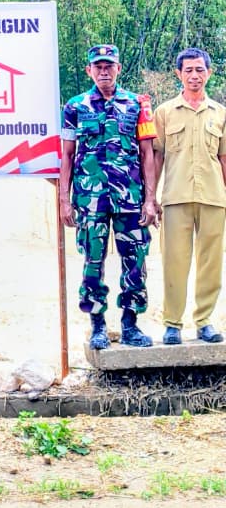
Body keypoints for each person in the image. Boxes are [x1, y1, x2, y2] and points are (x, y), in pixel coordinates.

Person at [59, 44, 160, 350]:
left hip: (130, 198)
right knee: (92, 262)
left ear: (118, 69)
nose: (104, 72)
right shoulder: (75, 107)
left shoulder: (137, 105)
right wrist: (65, 199)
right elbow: (66, 155)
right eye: (98, 67)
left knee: (136, 260)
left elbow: (147, 154)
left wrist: (150, 199)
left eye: (109, 66)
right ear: (89, 70)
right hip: (91, 200)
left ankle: (130, 325)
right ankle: (98, 326)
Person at [153, 48, 226, 345]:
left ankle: (205, 321)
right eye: (188, 70)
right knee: (174, 261)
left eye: (199, 70)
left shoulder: (220, 113)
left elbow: (224, 158)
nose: (194, 76)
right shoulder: (165, 113)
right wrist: (151, 196)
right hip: (176, 197)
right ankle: (172, 323)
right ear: (178, 74)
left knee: (211, 262)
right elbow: (156, 157)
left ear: (209, 73)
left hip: (212, 197)